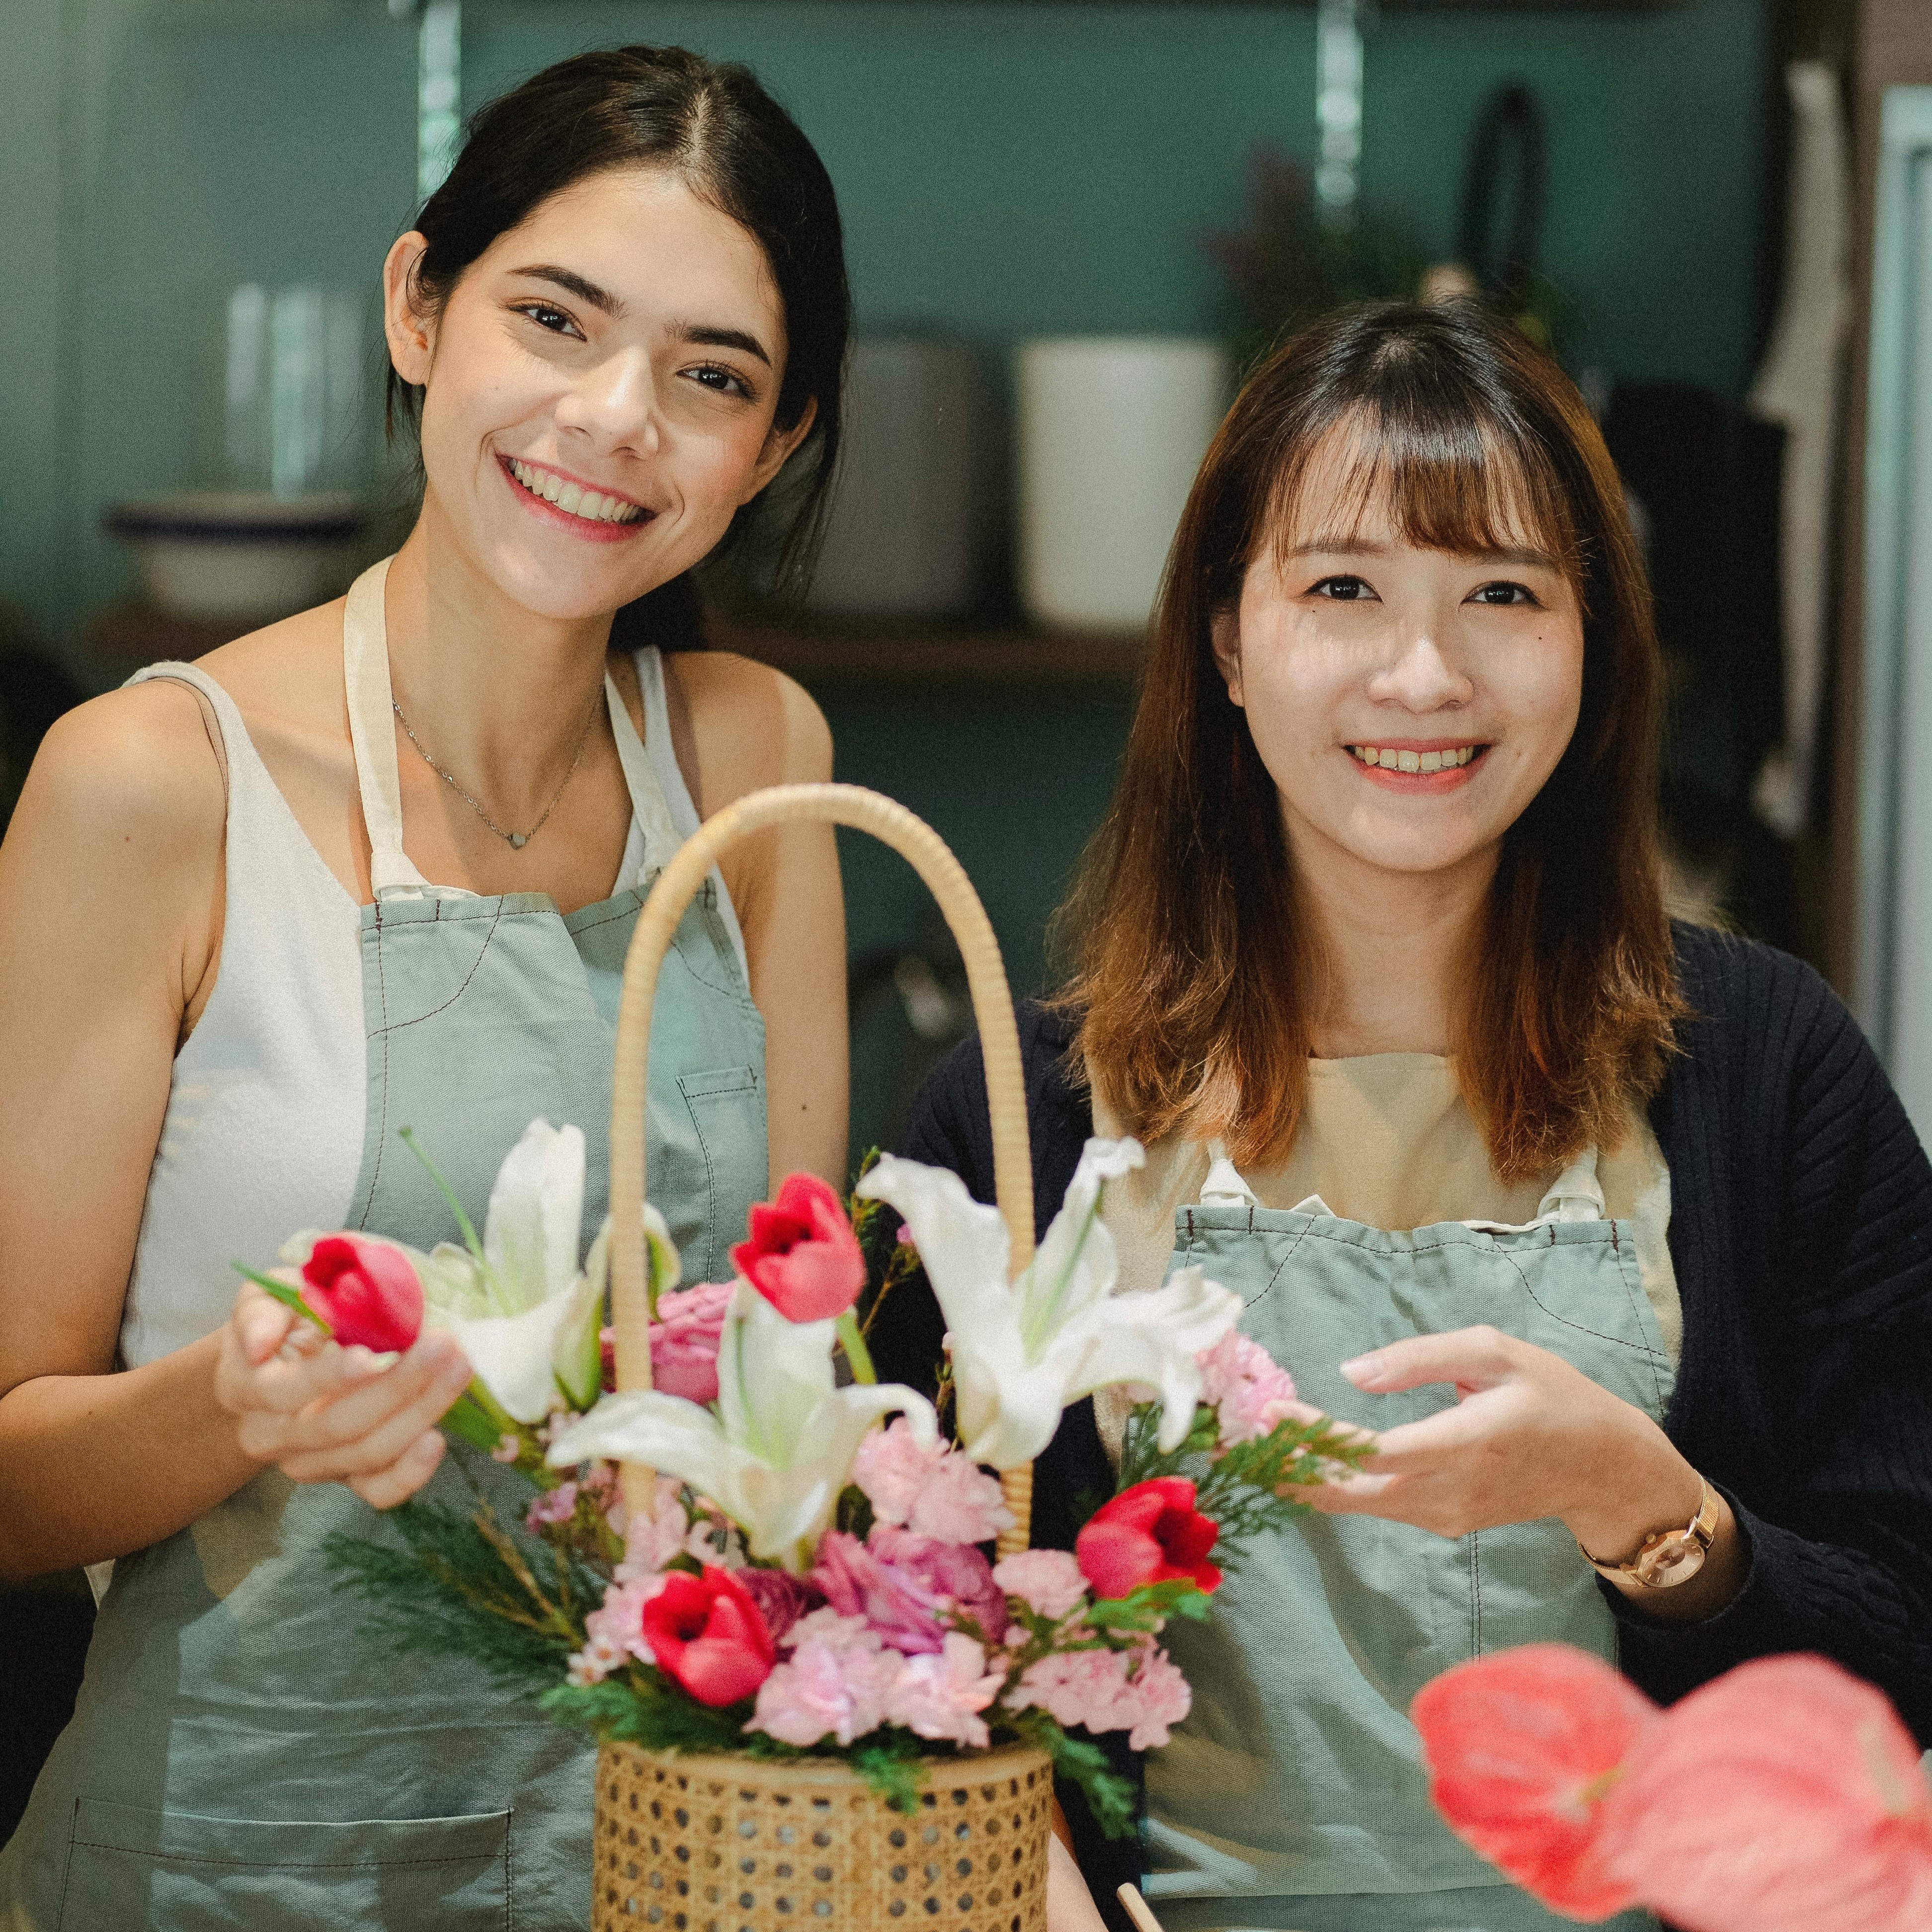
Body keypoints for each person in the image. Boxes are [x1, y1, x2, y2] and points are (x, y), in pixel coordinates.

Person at [877, 302, 1932, 1932]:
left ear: (1595, 642)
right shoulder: (1018, 1121)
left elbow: (1909, 1646)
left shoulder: (1769, 1073)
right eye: (1343, 588)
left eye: (1503, 593)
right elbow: (886, 1635)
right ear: (1227, 638)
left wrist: (1651, 1512)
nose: (1424, 674)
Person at [0, 45, 850, 1929]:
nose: (617, 416)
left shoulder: (758, 763)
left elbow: (798, 1378)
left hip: (666, 1866)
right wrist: (237, 1404)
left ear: (771, 447)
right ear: (418, 307)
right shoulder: (152, 784)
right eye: (556, 318)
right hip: (229, 1867)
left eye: (714, 375)